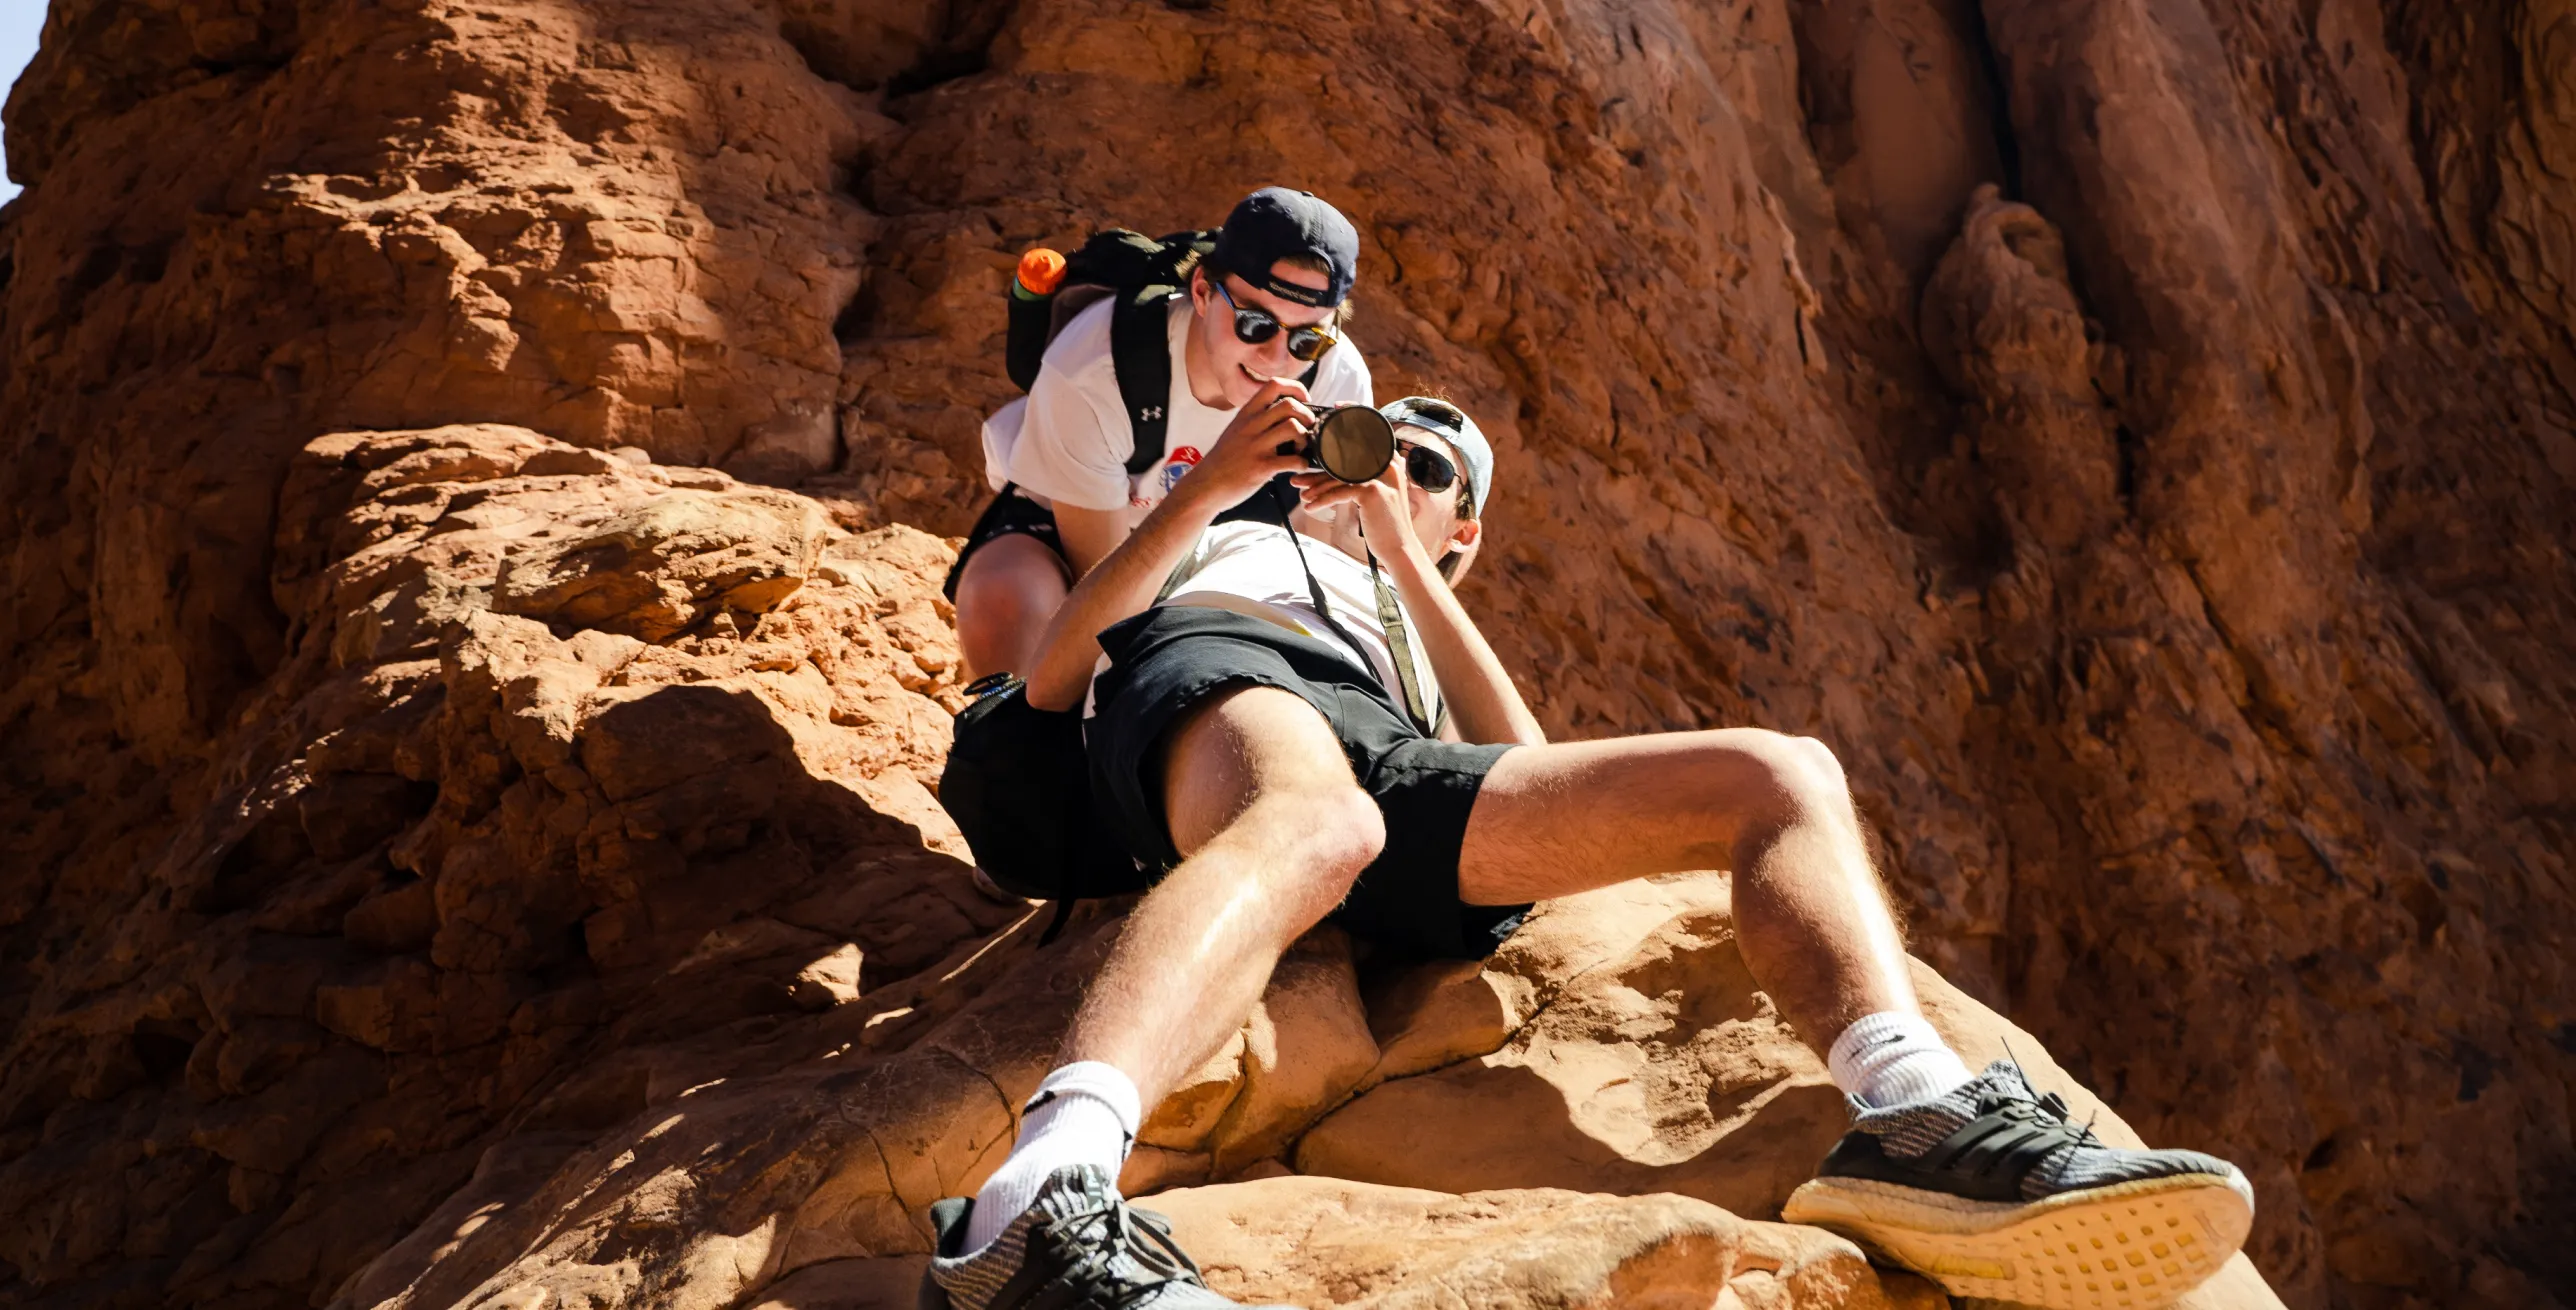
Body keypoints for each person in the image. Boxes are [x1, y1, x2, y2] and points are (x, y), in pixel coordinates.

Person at [918, 393, 2257, 1310]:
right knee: (1318, 820)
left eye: (1432, 466)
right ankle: (1033, 1203)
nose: (1388, 464)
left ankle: (1918, 1117)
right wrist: (1225, 487)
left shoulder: (1407, 589)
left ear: (1466, 523)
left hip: (1385, 741)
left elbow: (1520, 753)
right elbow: (1065, 664)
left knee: (1779, 770)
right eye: (1380, 439)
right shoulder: (1240, 532)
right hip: (1218, 668)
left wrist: (1404, 548)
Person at [943, 187, 1377, 682]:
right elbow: (1102, 596)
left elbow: (1315, 564)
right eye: (1255, 323)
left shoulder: (1337, 379)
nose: (1277, 359)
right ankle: (1014, 744)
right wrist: (1211, 483)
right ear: (1202, 292)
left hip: (1223, 539)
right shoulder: (1095, 367)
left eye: (1308, 338)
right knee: (1006, 595)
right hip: (1085, 530)